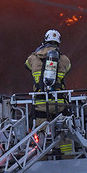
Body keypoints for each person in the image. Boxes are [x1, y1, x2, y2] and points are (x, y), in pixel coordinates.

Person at [25, 29, 74, 158]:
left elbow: (27, 65)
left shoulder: (33, 58)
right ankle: (67, 157)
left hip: (40, 103)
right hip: (59, 104)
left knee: (40, 132)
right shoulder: (64, 59)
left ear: (44, 40)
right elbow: (68, 68)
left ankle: (40, 157)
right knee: (64, 132)